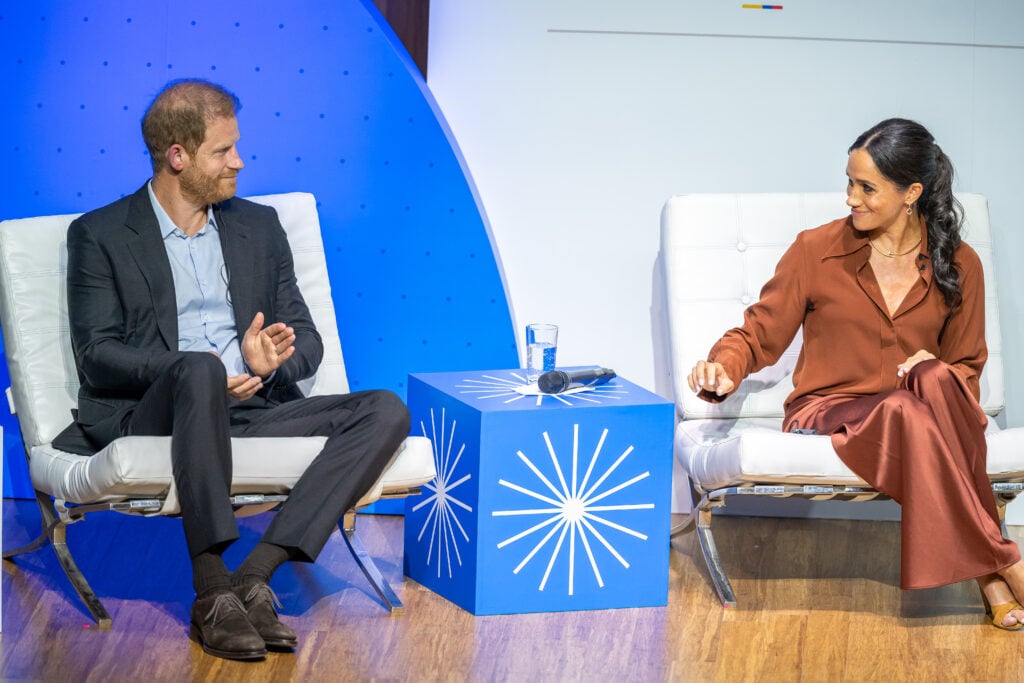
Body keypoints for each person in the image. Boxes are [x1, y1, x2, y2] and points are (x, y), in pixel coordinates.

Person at [54, 79, 411, 660]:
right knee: (196, 368)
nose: (238, 162)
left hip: (250, 407)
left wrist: (271, 365)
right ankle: (212, 591)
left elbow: (308, 338)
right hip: (160, 412)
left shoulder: (259, 227)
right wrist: (198, 370)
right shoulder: (99, 234)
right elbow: (96, 353)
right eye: (223, 151)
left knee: (385, 409)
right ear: (178, 156)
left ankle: (257, 574)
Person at [687, 118, 1024, 631]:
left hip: (923, 411)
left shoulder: (959, 263)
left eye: (867, 187)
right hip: (829, 412)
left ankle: (994, 573)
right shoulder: (815, 250)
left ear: (912, 192)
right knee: (904, 405)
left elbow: (966, 371)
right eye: (849, 182)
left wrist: (930, 368)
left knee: (930, 384)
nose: (851, 198)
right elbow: (758, 334)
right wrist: (722, 368)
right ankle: (1005, 564)